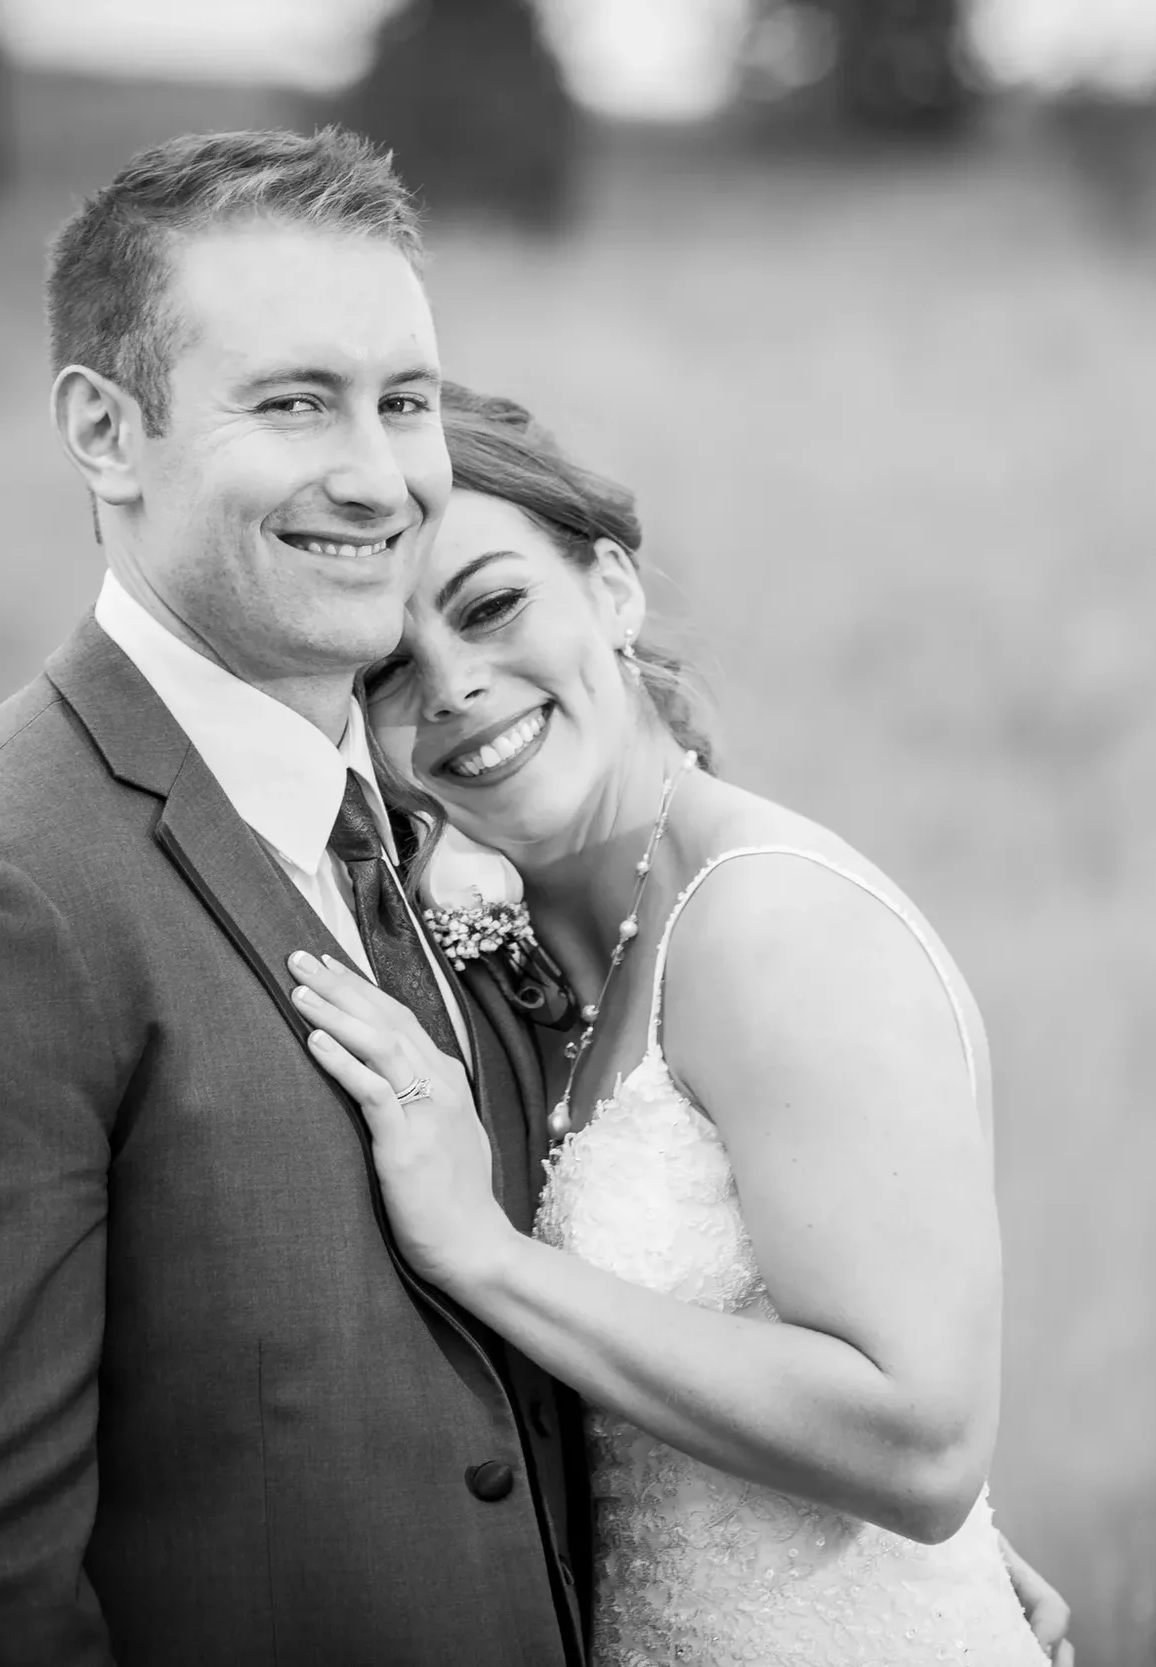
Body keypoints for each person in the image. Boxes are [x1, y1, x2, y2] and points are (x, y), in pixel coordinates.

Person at [0, 127, 1070, 1665]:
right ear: (107, 433)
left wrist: (882, 1577)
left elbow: (543, 1360)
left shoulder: (436, 850)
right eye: (294, 402)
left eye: (400, 401)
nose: (375, 472)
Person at [286, 384, 1067, 1665]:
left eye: (491, 606)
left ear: (611, 588)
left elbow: (921, 1448)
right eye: (386, 669)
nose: (459, 687)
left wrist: (488, 1255)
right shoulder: (526, 948)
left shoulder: (772, 929)